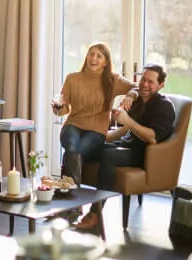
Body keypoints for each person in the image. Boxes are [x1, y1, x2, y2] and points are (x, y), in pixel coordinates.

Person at [75, 63, 175, 230]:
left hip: (145, 154)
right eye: (143, 79)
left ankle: (95, 215)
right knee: (82, 150)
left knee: (109, 156)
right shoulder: (138, 100)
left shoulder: (163, 106)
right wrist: (109, 131)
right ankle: (70, 206)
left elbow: (153, 138)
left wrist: (128, 121)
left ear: (161, 85)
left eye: (150, 82)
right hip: (126, 145)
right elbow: (124, 129)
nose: (144, 84)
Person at [53, 42, 137, 187]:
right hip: (73, 125)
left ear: (105, 62)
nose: (94, 58)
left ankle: (71, 199)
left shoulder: (113, 79)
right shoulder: (72, 78)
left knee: (73, 152)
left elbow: (137, 87)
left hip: (96, 131)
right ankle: (74, 200)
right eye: (91, 54)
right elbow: (64, 109)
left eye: (99, 56)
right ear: (86, 57)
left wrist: (130, 95)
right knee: (72, 145)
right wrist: (58, 107)